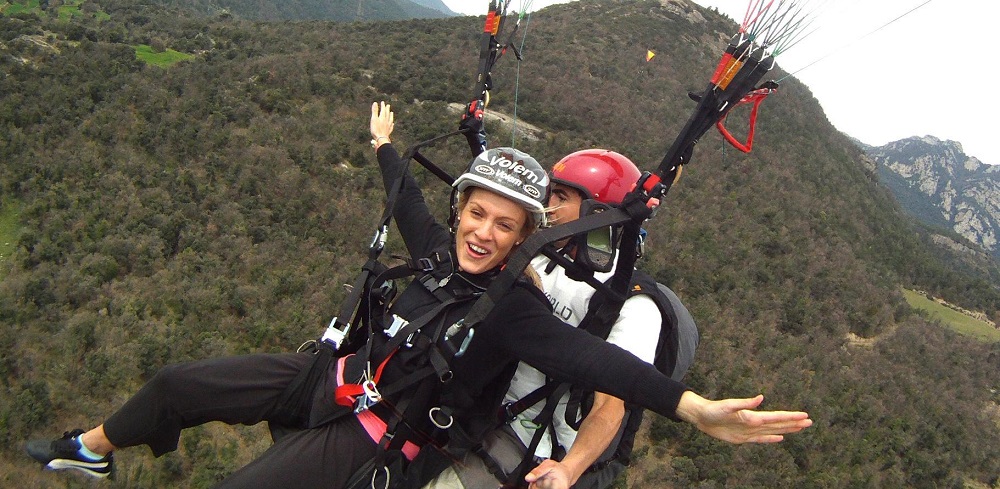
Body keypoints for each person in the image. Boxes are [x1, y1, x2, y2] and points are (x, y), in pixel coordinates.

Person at [25, 102, 812, 488]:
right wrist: (383, 147)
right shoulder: (440, 253)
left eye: (506, 225)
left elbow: (603, 366)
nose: (483, 234)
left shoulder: (514, 308)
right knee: (178, 383)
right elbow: (406, 201)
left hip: (380, 430)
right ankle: (92, 448)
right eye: (476, 213)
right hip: (332, 376)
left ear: (523, 237)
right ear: (462, 210)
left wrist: (694, 407)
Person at [422, 150, 693, 489]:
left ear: (597, 212)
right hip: (482, 406)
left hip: (534, 442)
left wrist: (570, 468)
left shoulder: (631, 303)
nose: (548, 202)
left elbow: (611, 406)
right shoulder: (540, 255)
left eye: (561, 196)